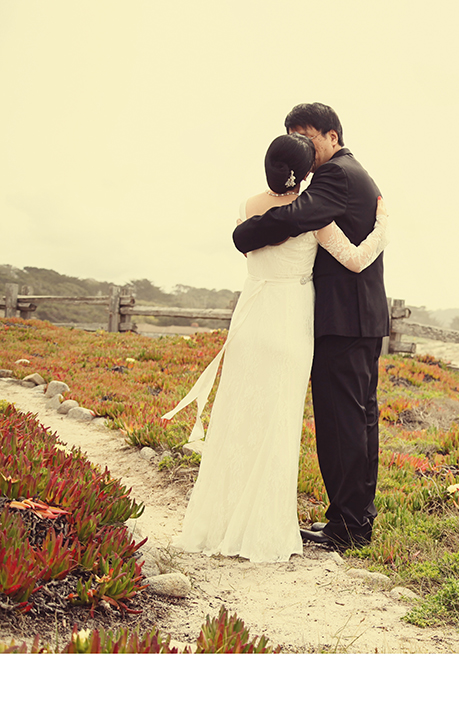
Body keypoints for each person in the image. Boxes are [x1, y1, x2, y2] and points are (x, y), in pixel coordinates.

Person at [163, 132, 388, 563]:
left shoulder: (249, 207)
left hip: (251, 316)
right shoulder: (311, 218)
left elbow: (252, 241)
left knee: (238, 414)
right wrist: (384, 229)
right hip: (289, 322)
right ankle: (262, 525)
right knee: (277, 424)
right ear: (306, 174)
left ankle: (220, 519)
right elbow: (357, 259)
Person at [233, 103, 387, 552]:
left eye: (308, 135)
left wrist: (245, 233)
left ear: (333, 137)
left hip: (343, 320)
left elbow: (299, 216)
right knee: (358, 422)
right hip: (357, 318)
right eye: (293, 135)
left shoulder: (335, 174)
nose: (302, 143)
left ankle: (348, 527)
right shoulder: (351, 171)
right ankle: (353, 519)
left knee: (343, 425)